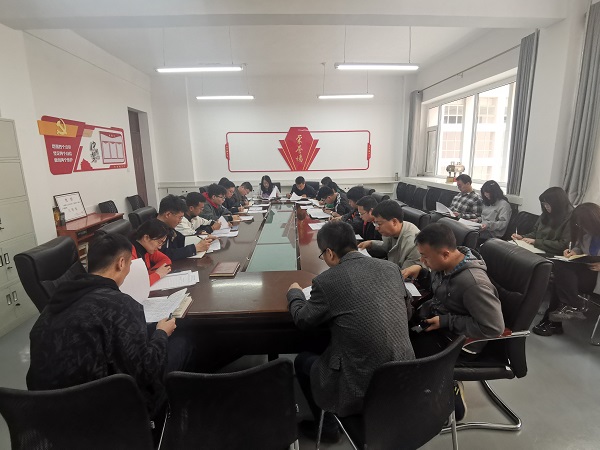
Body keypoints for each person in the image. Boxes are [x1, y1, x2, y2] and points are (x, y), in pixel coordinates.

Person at [287, 221, 414, 442]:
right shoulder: (391, 268)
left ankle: (328, 428)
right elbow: (408, 312)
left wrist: (294, 294)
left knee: (302, 360)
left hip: (361, 384)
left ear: (329, 253)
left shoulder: (327, 281)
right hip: (406, 376)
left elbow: (303, 320)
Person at [27, 233, 176, 419]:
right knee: (183, 344)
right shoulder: (121, 304)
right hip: (102, 415)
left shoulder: (54, 304)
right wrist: (161, 333)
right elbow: (146, 371)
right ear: (121, 263)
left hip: (49, 415)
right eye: (130, 264)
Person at [533, 203, 600, 336]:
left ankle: (557, 319)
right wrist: (573, 252)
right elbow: (580, 247)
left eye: (584, 224)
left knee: (561, 278)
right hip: (585, 271)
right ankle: (569, 307)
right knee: (560, 270)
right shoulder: (587, 234)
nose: (582, 228)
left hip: (595, 277)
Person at [358, 200, 422, 275]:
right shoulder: (395, 229)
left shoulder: (414, 243)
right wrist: (371, 243)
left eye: (379, 224)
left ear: (394, 222)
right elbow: (387, 246)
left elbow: (403, 275)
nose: (376, 228)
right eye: (375, 223)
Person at [512, 186, 573, 255]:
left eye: (548, 204)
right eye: (544, 204)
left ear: (557, 203)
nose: (545, 206)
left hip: (554, 254)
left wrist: (536, 242)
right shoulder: (546, 213)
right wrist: (522, 237)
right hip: (538, 249)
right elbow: (536, 233)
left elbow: (563, 245)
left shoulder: (570, 218)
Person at [157, 194, 214, 261]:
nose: (180, 221)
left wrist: (203, 238)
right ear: (168, 214)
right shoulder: (155, 230)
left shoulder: (167, 226)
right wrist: (195, 248)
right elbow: (164, 254)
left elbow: (181, 239)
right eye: (180, 217)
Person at [131, 218, 172, 285]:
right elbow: (136, 285)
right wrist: (157, 274)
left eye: (162, 243)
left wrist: (150, 275)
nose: (160, 247)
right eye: (159, 242)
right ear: (146, 238)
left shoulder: (147, 248)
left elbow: (166, 260)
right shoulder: (129, 254)